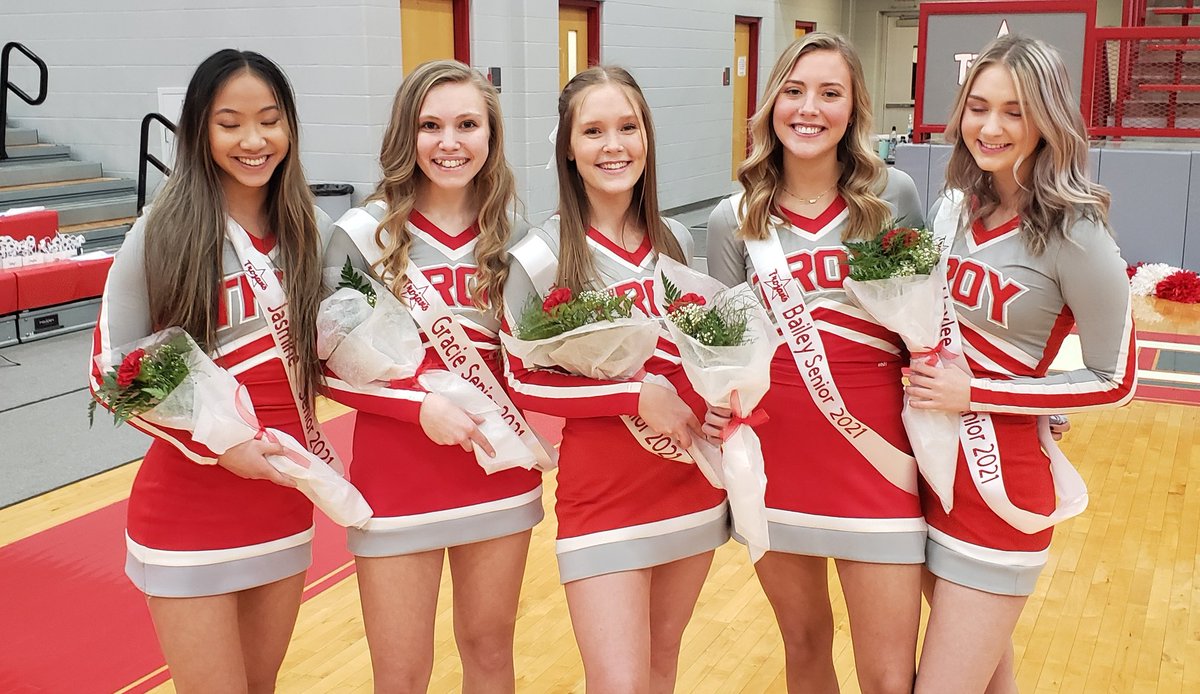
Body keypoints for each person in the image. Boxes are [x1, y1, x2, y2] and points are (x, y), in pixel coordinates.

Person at [89, 49, 330, 692]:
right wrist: (222, 447)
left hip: (282, 502)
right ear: (199, 129)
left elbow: (349, 346)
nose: (253, 140)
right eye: (230, 123)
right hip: (189, 509)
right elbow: (111, 373)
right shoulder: (161, 232)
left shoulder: (311, 229)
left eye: (270, 120)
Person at [907, 35, 1137, 694]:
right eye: (978, 107)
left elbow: (1117, 380)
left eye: (1015, 111)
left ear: (1048, 118)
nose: (991, 127)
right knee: (987, 680)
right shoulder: (953, 208)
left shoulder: (1078, 232)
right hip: (928, 473)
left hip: (997, 491)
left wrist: (985, 393)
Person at [705, 32, 925, 693]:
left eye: (830, 93)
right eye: (794, 91)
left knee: (888, 675)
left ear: (853, 107)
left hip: (879, 459)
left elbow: (930, 328)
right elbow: (722, 351)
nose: (809, 109)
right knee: (803, 646)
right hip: (777, 462)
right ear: (771, 103)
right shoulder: (732, 218)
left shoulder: (894, 196)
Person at [502, 65, 728, 692]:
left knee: (661, 667)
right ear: (568, 149)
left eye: (628, 127)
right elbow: (521, 381)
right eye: (593, 131)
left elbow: (698, 352)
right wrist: (634, 394)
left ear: (647, 137)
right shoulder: (540, 255)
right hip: (602, 496)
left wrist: (719, 401)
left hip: (688, 481)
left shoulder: (674, 239)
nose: (614, 146)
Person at [320, 60, 543, 693]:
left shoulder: (515, 235)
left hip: (496, 470)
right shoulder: (361, 236)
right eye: (430, 126)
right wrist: (416, 407)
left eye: (468, 125)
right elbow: (325, 367)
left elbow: (530, 359)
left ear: (491, 134)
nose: (450, 142)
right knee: (401, 673)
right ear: (405, 134)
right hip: (394, 479)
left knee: (490, 654)